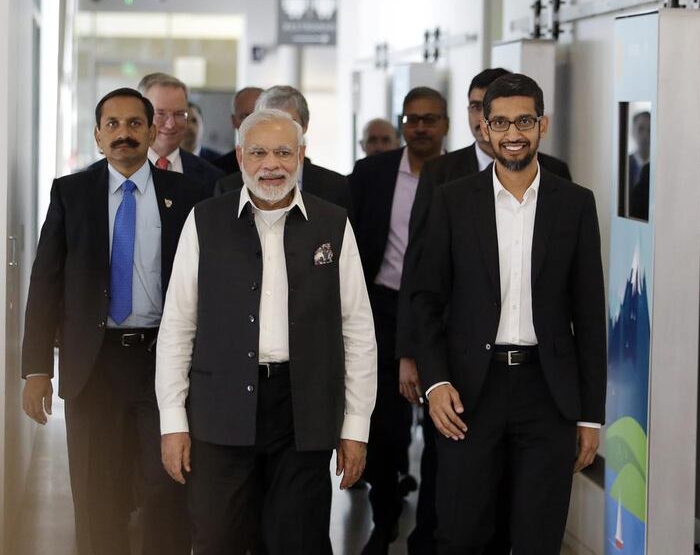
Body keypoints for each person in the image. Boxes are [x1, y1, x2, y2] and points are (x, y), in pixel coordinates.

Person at [156, 108, 378, 554]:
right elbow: (179, 326)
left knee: (297, 541)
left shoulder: (333, 223)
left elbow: (356, 329)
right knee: (218, 538)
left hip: (304, 412)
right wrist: (173, 421)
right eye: (258, 152)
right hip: (220, 411)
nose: (270, 164)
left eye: (282, 152)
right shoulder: (205, 220)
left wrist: (356, 425)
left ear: (301, 155)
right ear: (240, 156)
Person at [412, 73, 606, 554]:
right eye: (500, 122)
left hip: (548, 393)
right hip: (468, 394)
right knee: (461, 534)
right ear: (483, 126)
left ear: (543, 125)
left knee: (538, 537)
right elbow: (424, 300)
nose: (512, 133)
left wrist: (590, 415)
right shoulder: (452, 201)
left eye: (524, 121)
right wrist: (435, 383)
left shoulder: (576, 204)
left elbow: (589, 311)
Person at [20, 87, 204, 555]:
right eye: (113, 125)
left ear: (150, 130)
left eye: (134, 124)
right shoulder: (71, 192)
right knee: (96, 490)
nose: (124, 134)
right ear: (98, 136)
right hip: (92, 366)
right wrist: (37, 368)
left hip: (162, 364)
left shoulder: (187, 195)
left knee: (168, 487)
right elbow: (46, 281)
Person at [349, 86, 449, 554]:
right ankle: (384, 516)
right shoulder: (372, 174)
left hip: (444, 319)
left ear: (445, 124)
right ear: (402, 124)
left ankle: (427, 532)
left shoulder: (462, 175)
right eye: (412, 119)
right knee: (384, 429)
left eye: (430, 119)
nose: (421, 127)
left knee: (440, 433)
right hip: (382, 311)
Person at [214, 85, 353, 220]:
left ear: (305, 125)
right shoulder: (228, 187)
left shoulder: (335, 186)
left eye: (288, 123)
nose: (277, 131)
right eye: (267, 122)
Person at [138, 72, 224, 194]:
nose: (171, 124)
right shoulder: (117, 171)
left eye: (179, 114)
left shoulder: (213, 178)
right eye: (161, 114)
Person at [214, 86, 264, 175]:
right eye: (245, 116)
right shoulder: (217, 170)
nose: (252, 123)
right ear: (234, 121)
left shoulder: (287, 163)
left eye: (258, 115)